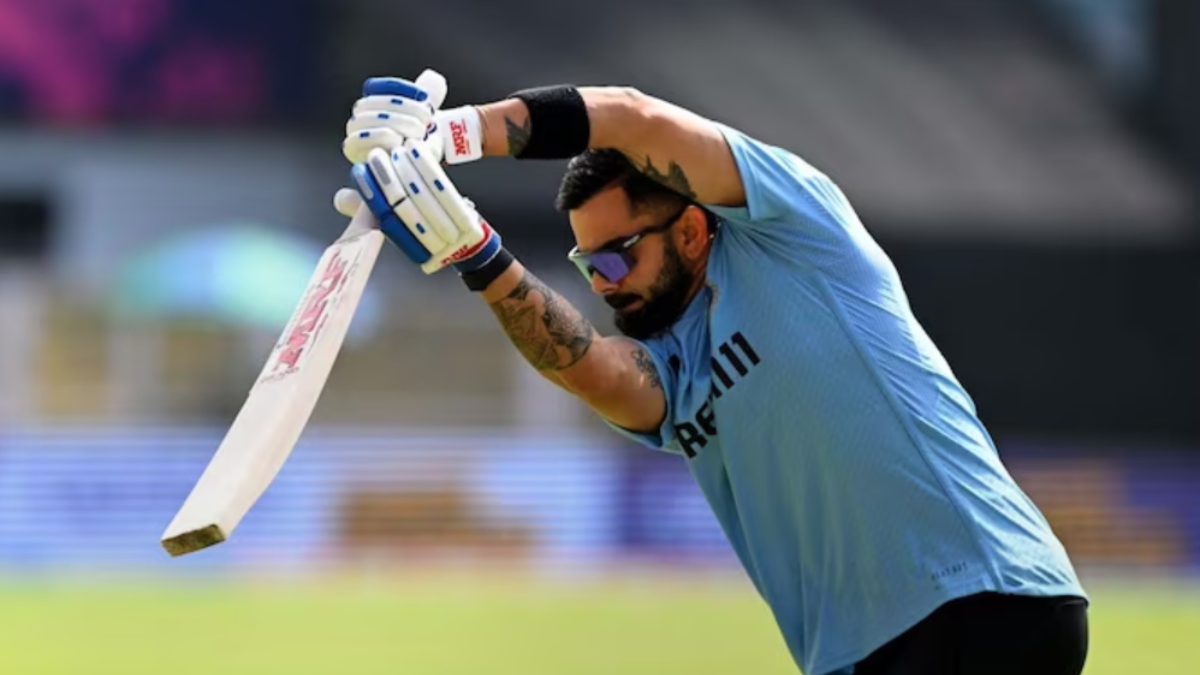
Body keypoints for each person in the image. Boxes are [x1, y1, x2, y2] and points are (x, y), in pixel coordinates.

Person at [334, 72, 1089, 675]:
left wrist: (455, 133)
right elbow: (591, 369)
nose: (603, 284)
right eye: (588, 267)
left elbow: (631, 117)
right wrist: (475, 250)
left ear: (692, 230)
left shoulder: (793, 233)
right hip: (867, 652)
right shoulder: (672, 363)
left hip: (980, 597)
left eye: (615, 258)